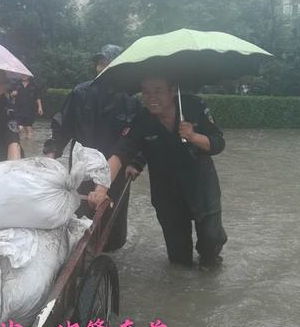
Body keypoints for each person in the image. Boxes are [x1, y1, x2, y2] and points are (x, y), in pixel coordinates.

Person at [88, 76, 228, 268]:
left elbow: (218, 143)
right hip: (166, 192)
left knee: (211, 241)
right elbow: (120, 154)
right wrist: (101, 189)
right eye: (146, 92)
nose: (151, 97)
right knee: (179, 260)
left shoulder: (194, 106)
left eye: (157, 90)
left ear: (173, 91)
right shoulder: (142, 119)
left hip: (201, 186)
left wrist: (193, 136)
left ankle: (210, 265)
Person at [43, 44, 145, 252]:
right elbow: (62, 126)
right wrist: (48, 157)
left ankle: (107, 254)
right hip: (82, 166)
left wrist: (136, 162)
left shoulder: (130, 101)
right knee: (78, 219)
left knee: (112, 227)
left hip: (115, 169)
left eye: (108, 63)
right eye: (100, 63)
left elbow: (135, 140)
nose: (102, 68)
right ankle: (79, 250)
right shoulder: (80, 93)